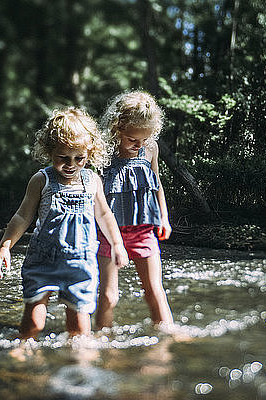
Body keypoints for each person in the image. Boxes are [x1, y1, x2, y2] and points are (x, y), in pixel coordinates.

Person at [0, 107, 128, 340]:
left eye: (79, 158)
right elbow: (23, 216)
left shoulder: (92, 180)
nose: (71, 164)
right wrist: (6, 245)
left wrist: (117, 244)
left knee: (79, 330)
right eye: (63, 158)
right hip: (43, 259)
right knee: (34, 324)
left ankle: (77, 368)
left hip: (81, 261)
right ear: (50, 152)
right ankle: (24, 353)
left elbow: (105, 215)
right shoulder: (42, 180)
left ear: (89, 153)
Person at [95, 91, 174, 329]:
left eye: (144, 139)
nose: (138, 145)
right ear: (117, 128)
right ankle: (102, 339)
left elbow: (156, 182)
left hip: (143, 229)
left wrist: (164, 217)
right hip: (109, 232)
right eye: (132, 140)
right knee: (109, 296)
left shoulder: (151, 149)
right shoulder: (104, 153)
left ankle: (167, 336)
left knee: (154, 291)